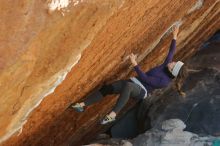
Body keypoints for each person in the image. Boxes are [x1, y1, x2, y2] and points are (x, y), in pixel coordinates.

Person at [70, 25, 188, 125]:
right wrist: (174, 36)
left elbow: (145, 79)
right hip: (133, 81)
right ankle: (82, 105)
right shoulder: (166, 65)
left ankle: (113, 114)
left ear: (173, 71)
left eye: (174, 64)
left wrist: (135, 64)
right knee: (108, 88)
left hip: (142, 90)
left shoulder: (164, 82)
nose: (172, 62)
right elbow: (171, 51)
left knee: (128, 87)